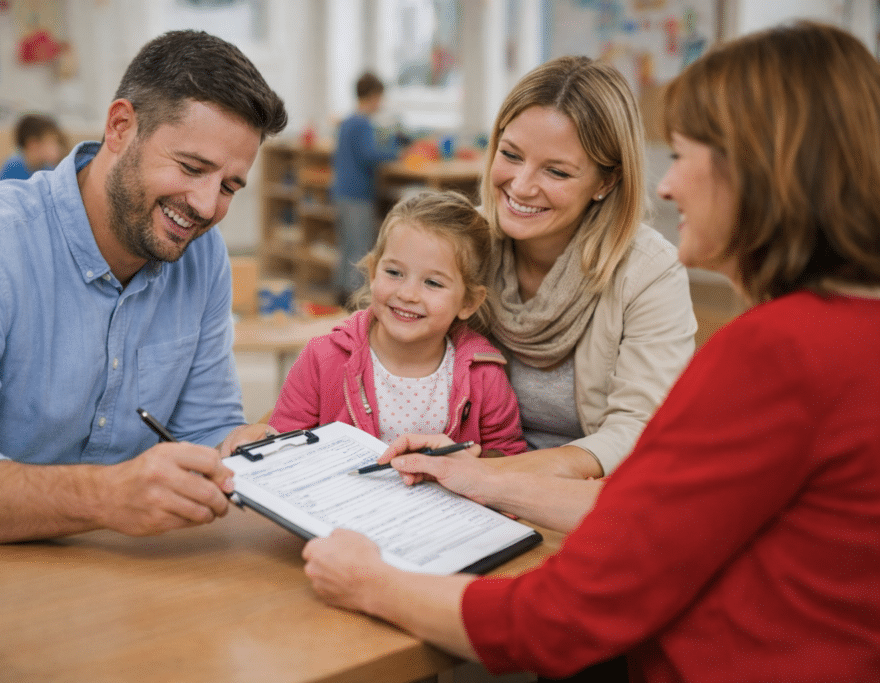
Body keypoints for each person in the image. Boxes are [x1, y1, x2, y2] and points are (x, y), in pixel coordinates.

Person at [302, 21, 880, 681]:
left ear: (756, 173)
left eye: (685, 156)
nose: (667, 186)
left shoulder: (774, 353)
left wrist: (372, 582)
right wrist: (478, 475)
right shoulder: (847, 333)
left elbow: (563, 617)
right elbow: (646, 510)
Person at [0, 30, 287, 543]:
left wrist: (232, 449)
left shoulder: (201, 256)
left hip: (110, 575)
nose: (206, 204)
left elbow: (203, 431)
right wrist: (103, 497)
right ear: (121, 127)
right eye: (192, 168)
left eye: (229, 187)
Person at [474, 55, 696, 483]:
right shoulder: (463, 242)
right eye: (511, 155)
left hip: (584, 495)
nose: (521, 186)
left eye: (556, 171)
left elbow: (639, 430)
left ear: (606, 182)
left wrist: (495, 476)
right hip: (467, 480)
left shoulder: (649, 272)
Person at [269, 189, 527, 455]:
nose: (407, 294)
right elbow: (282, 448)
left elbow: (508, 460)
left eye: (433, 283)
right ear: (372, 273)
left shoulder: (485, 376)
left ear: (468, 302)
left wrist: (473, 465)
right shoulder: (322, 358)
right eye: (394, 272)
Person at [332, 72, 400, 305]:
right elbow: (370, 155)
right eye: (379, 98)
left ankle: (342, 292)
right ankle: (356, 300)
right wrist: (395, 150)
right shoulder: (362, 123)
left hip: (342, 193)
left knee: (347, 245)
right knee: (360, 249)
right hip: (357, 195)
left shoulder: (347, 122)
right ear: (372, 97)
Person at [0, 113, 68, 182]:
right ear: (33, 145)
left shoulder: (48, 168)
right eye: (52, 142)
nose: (58, 148)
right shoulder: (13, 167)